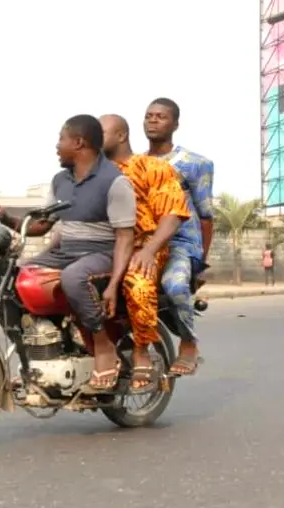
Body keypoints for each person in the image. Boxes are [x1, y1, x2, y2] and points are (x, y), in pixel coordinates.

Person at [0, 115, 136, 391]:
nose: (57, 146)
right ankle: (31, 355)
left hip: (102, 252)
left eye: (61, 139)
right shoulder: (60, 181)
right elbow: (41, 225)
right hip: (66, 251)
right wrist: (6, 217)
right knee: (8, 278)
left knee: (73, 276)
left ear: (78, 143)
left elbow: (125, 237)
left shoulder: (114, 182)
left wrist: (114, 283)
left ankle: (104, 346)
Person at [100, 114, 190, 392]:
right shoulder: (93, 172)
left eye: (100, 132)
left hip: (144, 246)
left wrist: (150, 250)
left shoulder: (151, 167)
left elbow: (173, 214)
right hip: (102, 249)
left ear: (121, 135)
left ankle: (142, 348)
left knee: (137, 282)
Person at [143, 98, 214, 377]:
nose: (153, 120)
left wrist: (200, 264)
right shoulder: (134, 164)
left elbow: (206, 216)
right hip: (143, 243)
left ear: (175, 124)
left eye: (160, 116)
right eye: (149, 116)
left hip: (180, 244)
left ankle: (188, 343)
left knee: (173, 285)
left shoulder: (195, 164)